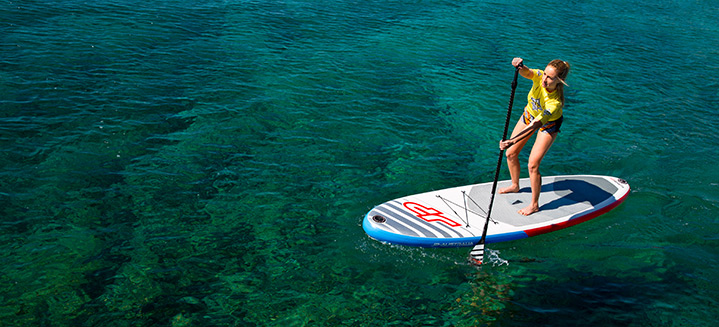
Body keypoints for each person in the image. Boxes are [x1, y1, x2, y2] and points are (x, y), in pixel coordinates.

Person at [498, 57, 571, 216]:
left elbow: (537, 124)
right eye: (545, 74)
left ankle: (534, 205)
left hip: (547, 125)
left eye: (549, 77)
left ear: (559, 80)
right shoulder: (539, 76)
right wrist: (520, 66)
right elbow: (528, 73)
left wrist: (512, 140)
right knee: (510, 153)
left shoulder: (554, 103)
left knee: (532, 164)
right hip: (529, 115)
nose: (544, 79)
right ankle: (515, 185)